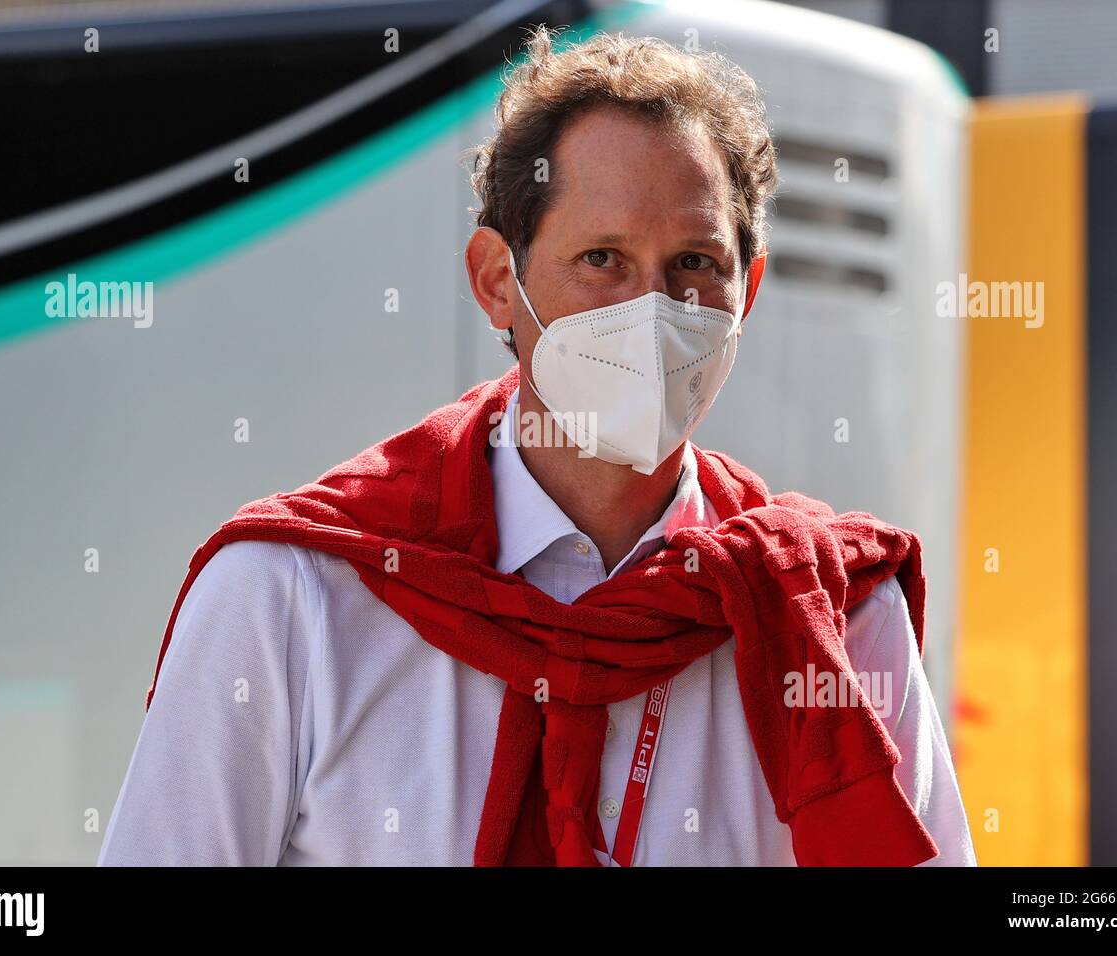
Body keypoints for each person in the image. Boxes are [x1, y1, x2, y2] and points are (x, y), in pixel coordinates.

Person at [98, 26, 976, 867]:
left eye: (694, 264)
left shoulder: (826, 616)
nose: (655, 309)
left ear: (747, 288)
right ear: (495, 282)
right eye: (602, 258)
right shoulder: (294, 599)